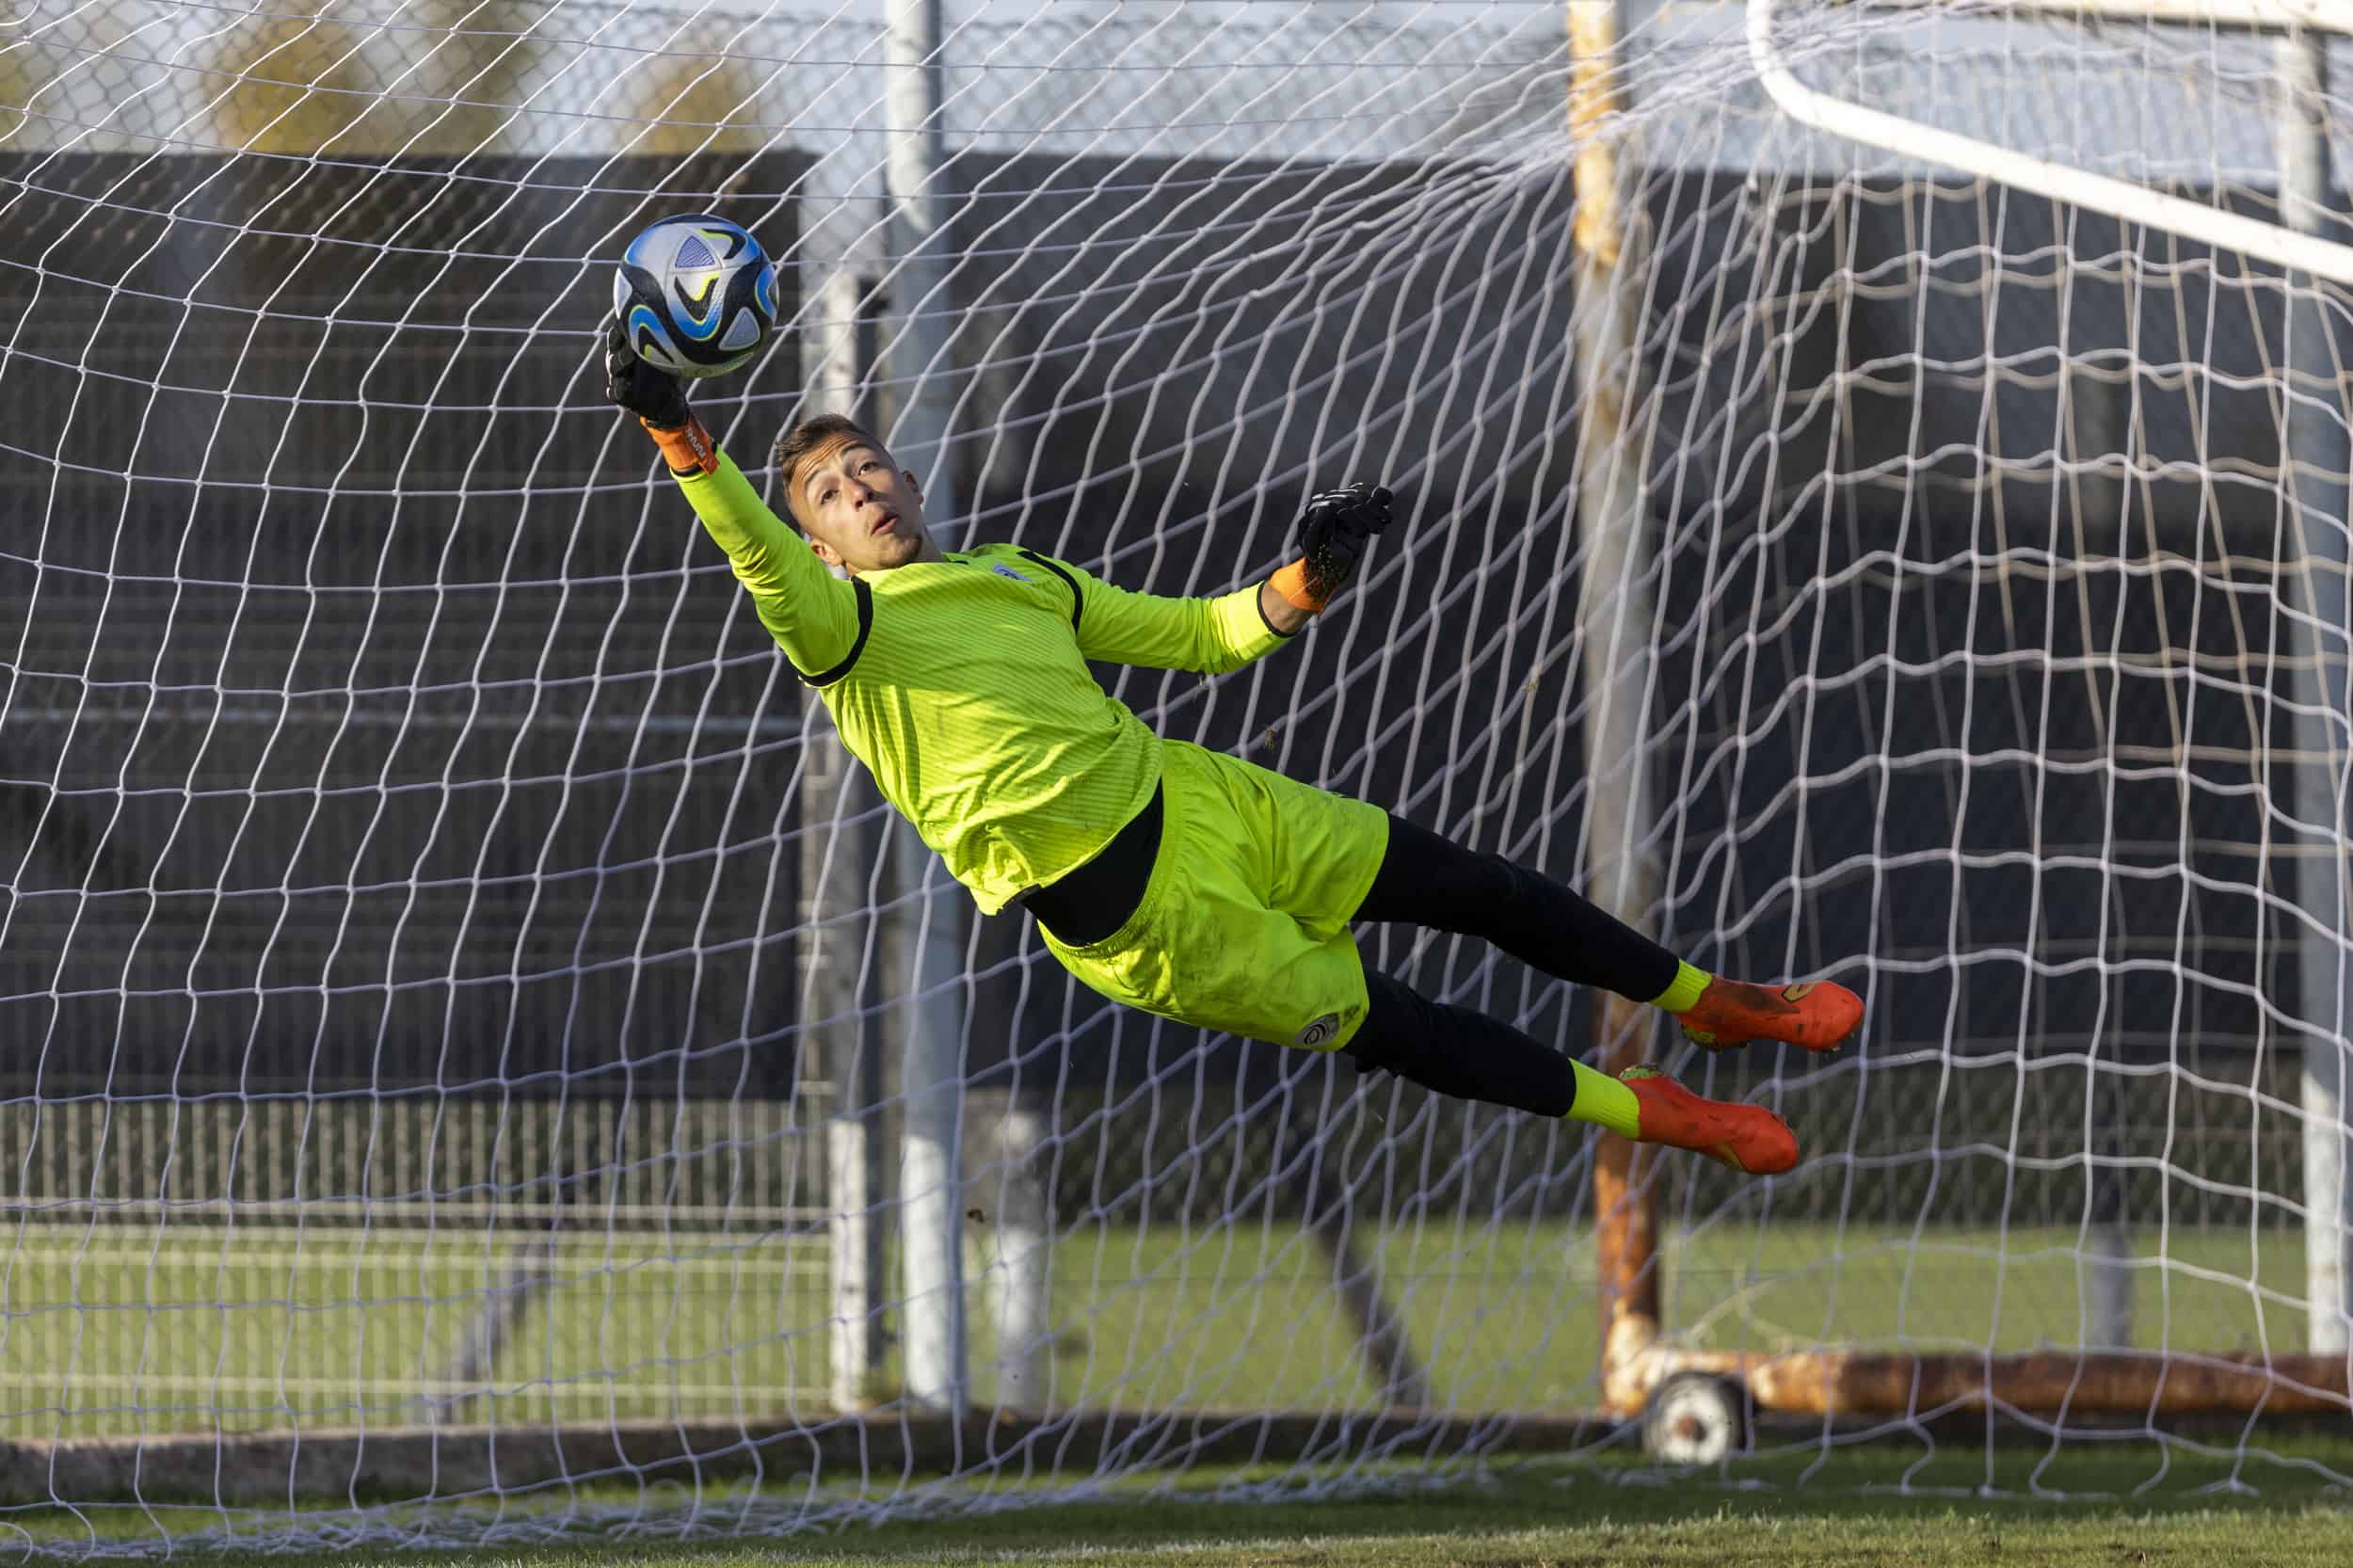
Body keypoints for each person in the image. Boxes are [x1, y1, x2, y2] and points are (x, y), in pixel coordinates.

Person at [605, 323, 1862, 1176]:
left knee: (1475, 883)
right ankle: (1653, 1113)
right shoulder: (841, 630)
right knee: (1404, 1025)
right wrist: (679, 435)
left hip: (1204, 794)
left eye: (868, 464)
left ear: (911, 478)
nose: (859, 487)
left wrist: (1306, 578)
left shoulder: (1016, 575)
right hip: (1141, 914)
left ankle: (1716, 1003)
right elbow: (753, 558)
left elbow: (1206, 635)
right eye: (829, 492)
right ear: (821, 542)